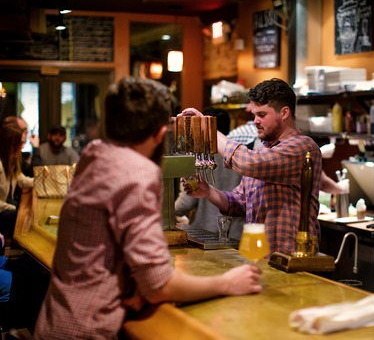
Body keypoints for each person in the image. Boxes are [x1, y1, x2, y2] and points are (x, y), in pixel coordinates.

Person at [33, 77, 262, 339]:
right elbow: (158, 285)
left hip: (57, 319)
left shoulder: (93, 153)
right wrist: (227, 282)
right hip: (89, 329)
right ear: (160, 134)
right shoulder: (138, 172)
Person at [180, 78, 323, 254]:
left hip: (289, 258)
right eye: (254, 115)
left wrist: (207, 129)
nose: (255, 121)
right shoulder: (264, 150)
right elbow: (239, 203)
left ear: (284, 112)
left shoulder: (302, 147)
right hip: (260, 255)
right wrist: (208, 192)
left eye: (262, 115)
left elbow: (249, 163)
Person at [174, 107, 244, 240]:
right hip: (236, 232)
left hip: (205, 230)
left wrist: (168, 212)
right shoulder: (240, 156)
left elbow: (186, 202)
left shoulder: (199, 157)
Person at [0, 125, 34, 253]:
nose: (22, 146)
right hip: (2, 210)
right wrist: (15, 209)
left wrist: (43, 182)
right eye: (20, 143)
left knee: (26, 213)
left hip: (6, 207)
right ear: (9, 143)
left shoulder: (11, 160)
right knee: (22, 216)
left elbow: (22, 180)